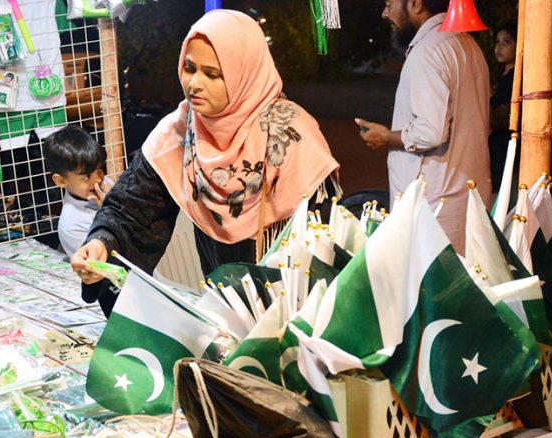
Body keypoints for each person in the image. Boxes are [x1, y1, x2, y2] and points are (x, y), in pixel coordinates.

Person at [70, 10, 340, 316]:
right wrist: (102, 244)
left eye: (213, 74)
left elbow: (321, 246)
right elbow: (133, 208)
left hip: (292, 309)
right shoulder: (181, 129)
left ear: (244, 74)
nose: (194, 84)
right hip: (223, 304)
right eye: (189, 68)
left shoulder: (291, 135)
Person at [354, 0, 491, 254]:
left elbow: (430, 132)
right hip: (466, 202)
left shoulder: (428, 51)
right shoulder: (468, 45)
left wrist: (385, 138)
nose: (385, 13)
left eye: (389, 4)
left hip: (433, 210)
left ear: (415, 4)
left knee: (426, 290)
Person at [43, 125, 113, 257]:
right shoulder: (71, 226)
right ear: (61, 181)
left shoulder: (107, 184)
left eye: (100, 170)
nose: (98, 179)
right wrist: (109, 212)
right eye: (87, 177)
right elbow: (101, 265)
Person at [489, 23, 518, 195]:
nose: (499, 47)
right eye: (497, 42)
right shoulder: (504, 75)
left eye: (506, 42)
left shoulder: (515, 77)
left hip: (505, 142)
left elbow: (504, 113)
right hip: (498, 143)